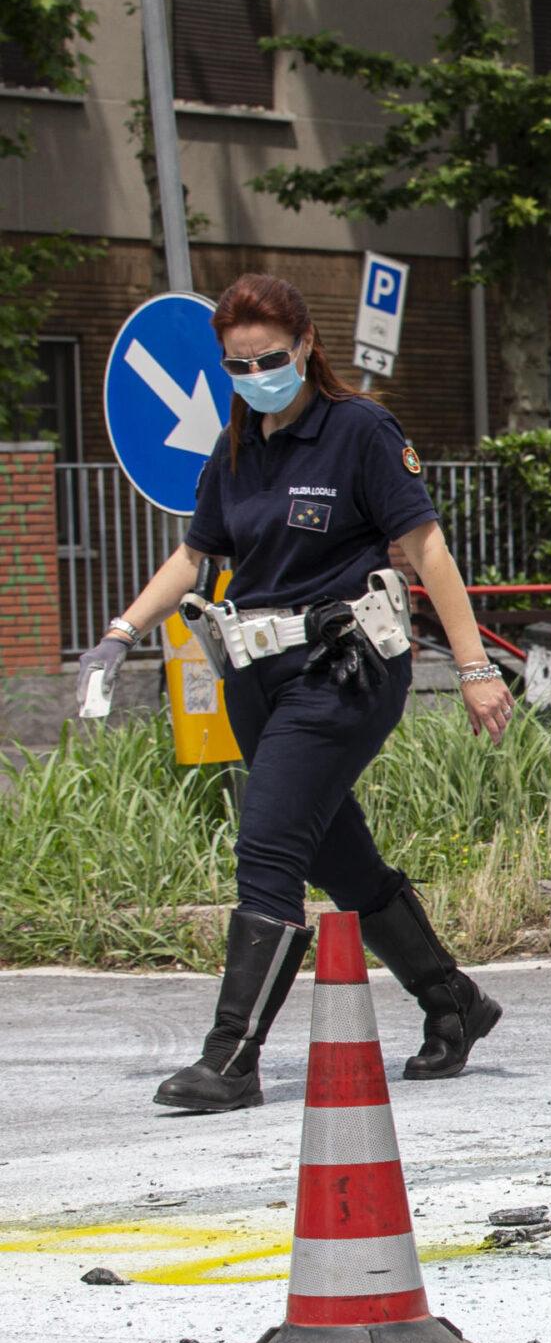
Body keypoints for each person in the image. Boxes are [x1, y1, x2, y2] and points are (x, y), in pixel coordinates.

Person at [71, 274, 515, 1112]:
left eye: (271, 358)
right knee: (333, 854)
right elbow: (195, 557)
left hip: (344, 668)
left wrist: (474, 666)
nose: (257, 373)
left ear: (307, 346)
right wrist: (121, 631)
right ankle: (453, 1000)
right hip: (255, 675)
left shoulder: (359, 432)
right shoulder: (236, 449)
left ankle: (230, 1059)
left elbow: (429, 551)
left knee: (267, 844)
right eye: (239, 363)